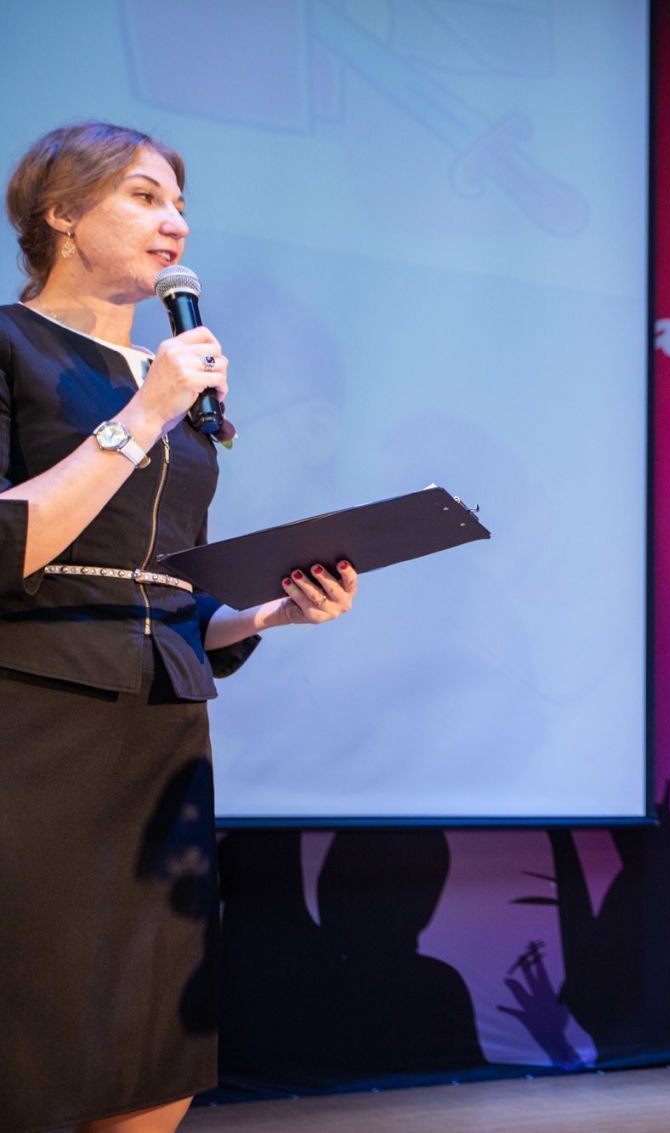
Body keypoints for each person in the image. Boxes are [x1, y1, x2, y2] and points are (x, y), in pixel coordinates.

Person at [0, 122, 357, 1133]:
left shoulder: (171, 382)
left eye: (181, 204)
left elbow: (168, 581)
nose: (177, 224)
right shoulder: (15, 347)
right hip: (32, 723)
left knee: (154, 1030)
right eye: (145, 197)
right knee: (32, 1018)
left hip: (158, 733)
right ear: (61, 213)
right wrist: (142, 414)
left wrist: (271, 611)